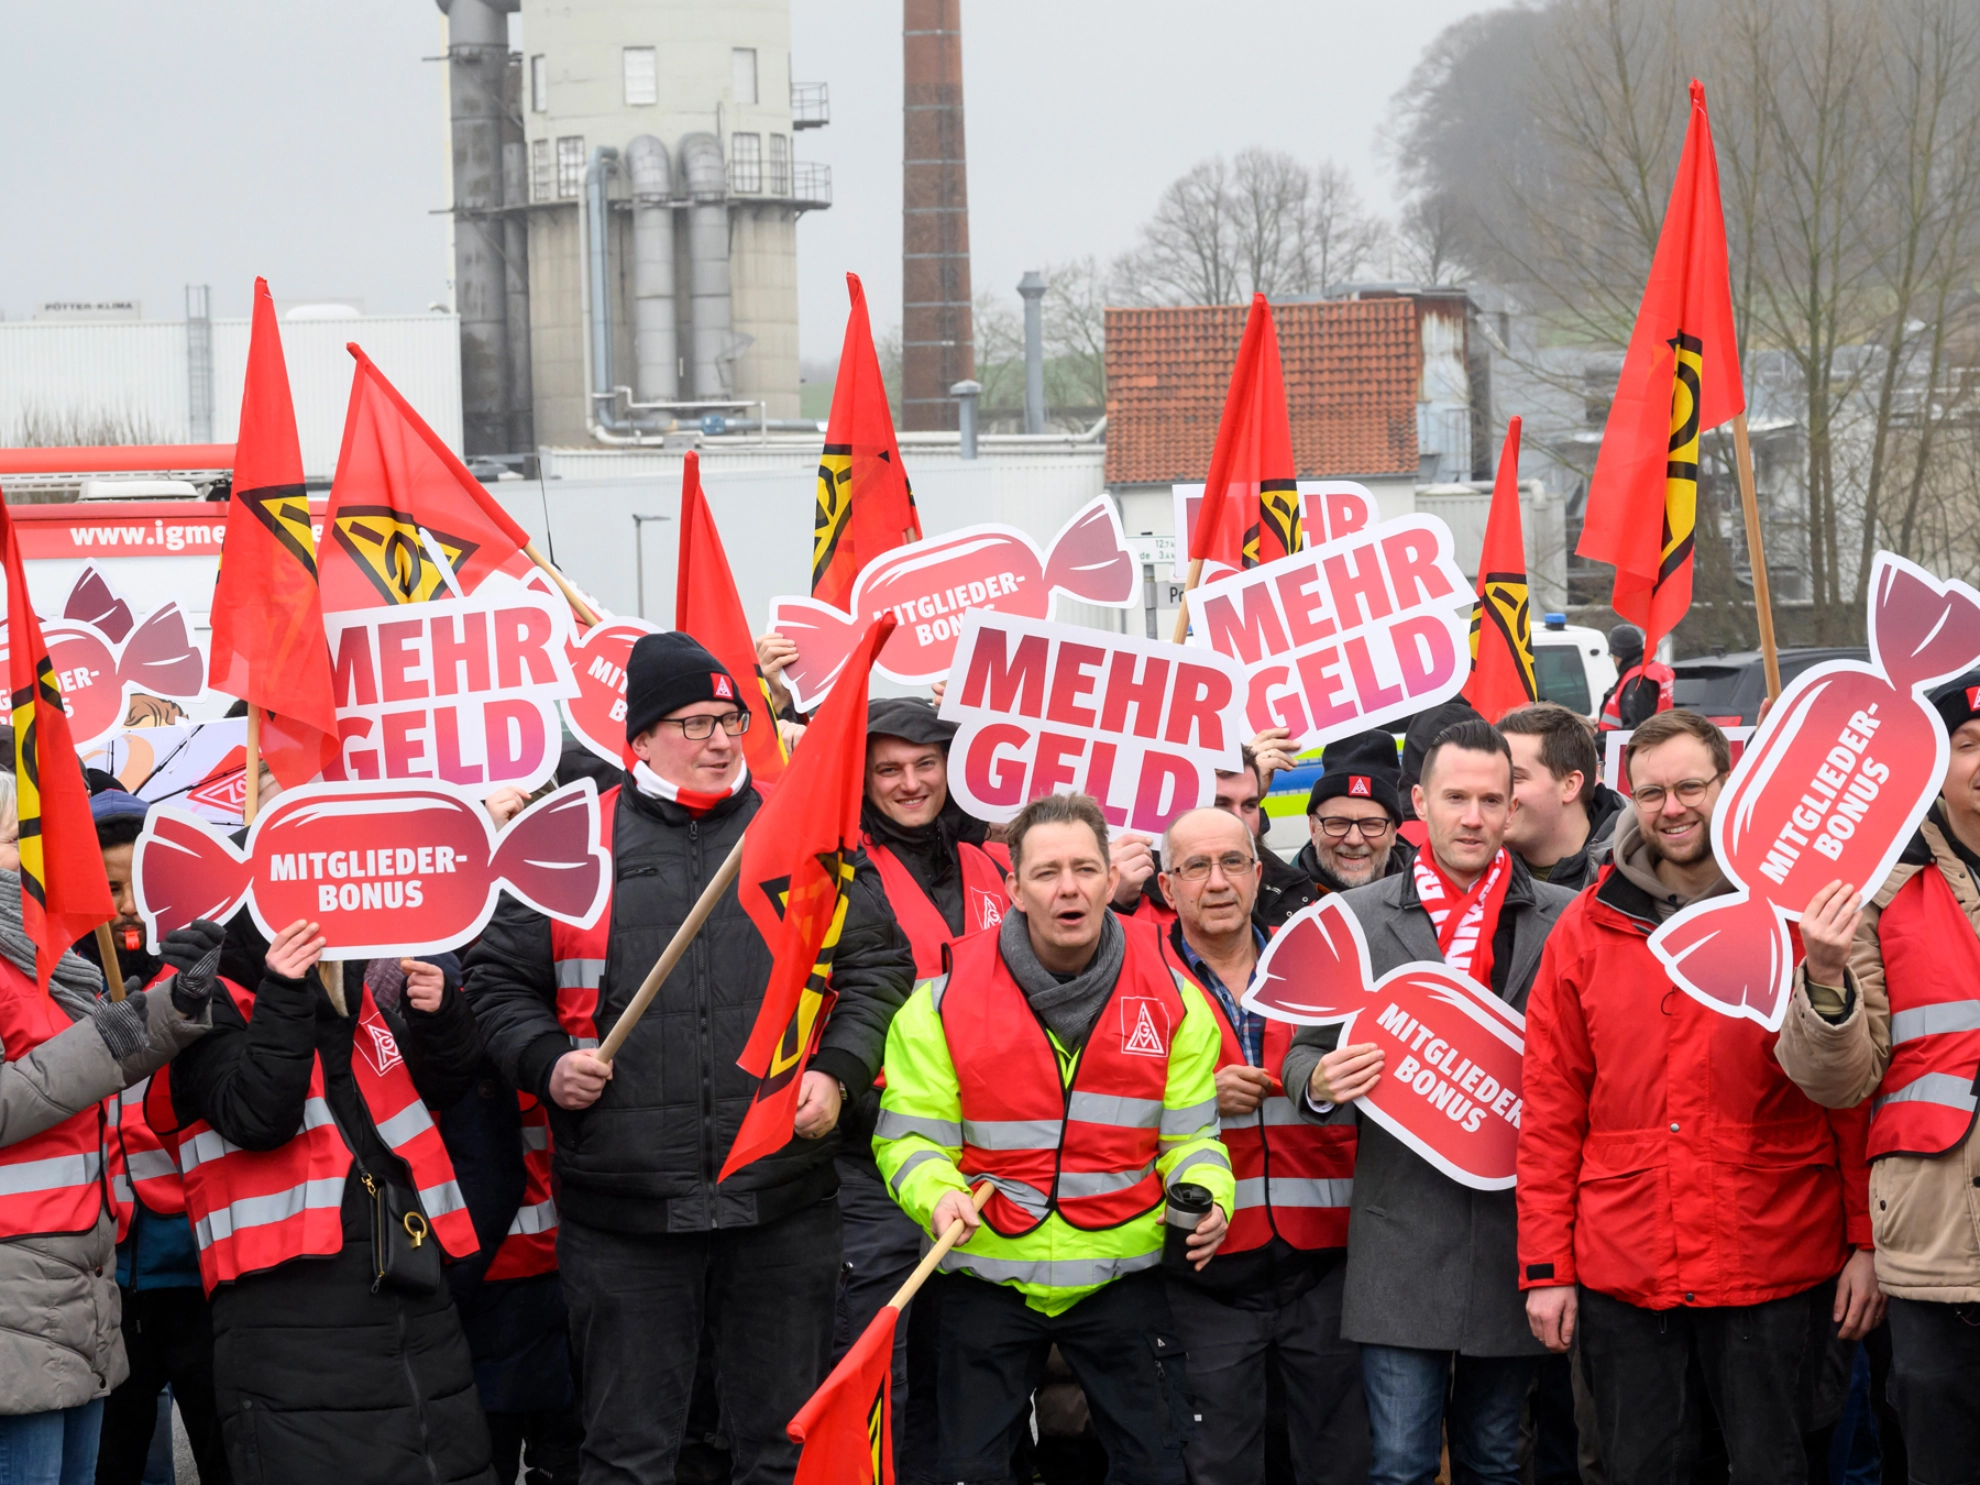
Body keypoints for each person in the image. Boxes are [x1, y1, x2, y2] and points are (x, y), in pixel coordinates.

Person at [466, 631, 913, 1484]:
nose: (719, 739)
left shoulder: (801, 827)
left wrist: (837, 1070)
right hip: (625, 1214)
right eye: (694, 722)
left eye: (731, 719)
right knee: (629, 1456)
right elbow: (495, 981)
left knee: (783, 1451)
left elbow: (878, 967)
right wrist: (546, 1062)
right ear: (640, 737)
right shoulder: (569, 839)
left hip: (781, 1202)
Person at [1520, 708, 1879, 1484]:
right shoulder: (1584, 929)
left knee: (1777, 1467)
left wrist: (1865, 1241)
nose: (1672, 807)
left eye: (1690, 786)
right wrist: (1546, 1268)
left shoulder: (1798, 918)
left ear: (1729, 783)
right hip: (1629, 1269)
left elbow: (1846, 1097)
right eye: (1651, 792)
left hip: (1775, 1260)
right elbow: (1550, 1110)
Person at [875, 791, 1234, 1485]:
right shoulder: (940, 1002)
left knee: (1156, 1469)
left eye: (1084, 869)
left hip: (1121, 1276)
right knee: (967, 1473)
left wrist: (1211, 1193)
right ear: (1013, 887)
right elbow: (909, 1138)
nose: (1068, 888)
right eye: (1046, 872)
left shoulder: (1175, 998)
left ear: (1111, 877)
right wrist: (938, 1194)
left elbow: (1192, 1139)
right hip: (983, 1275)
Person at [1282, 719, 1573, 1485]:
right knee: (1401, 1464)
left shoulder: (1565, 917)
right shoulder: (1354, 917)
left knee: (1495, 1461)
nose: (1473, 817)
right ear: (1418, 802)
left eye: (1490, 799)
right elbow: (1300, 1054)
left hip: (1515, 1239)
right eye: (1455, 798)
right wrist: (1320, 1081)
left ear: (1512, 807)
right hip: (1399, 1243)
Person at [160, 918, 492, 1485]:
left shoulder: (349, 996)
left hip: (411, 1306)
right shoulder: (201, 995)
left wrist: (442, 1019)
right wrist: (286, 989)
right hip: (291, 1329)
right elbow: (258, 1114)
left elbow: (438, 1084)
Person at [1776, 674, 1980, 1485]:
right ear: (1933, 762)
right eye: (1967, 744)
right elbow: (1842, 1081)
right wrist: (1825, 977)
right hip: (1937, 1241)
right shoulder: (1875, 890)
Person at [1159, 806, 1366, 1485]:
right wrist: (1196, 1098)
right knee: (1218, 1467)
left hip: (1325, 1266)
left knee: (1337, 1465)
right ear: (1167, 887)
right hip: (1203, 1273)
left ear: (1257, 873)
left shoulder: (1317, 967)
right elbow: (1100, 1104)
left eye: (1232, 862)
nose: (1217, 881)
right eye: (1196, 866)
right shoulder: (1140, 980)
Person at [845, 695, 1010, 1479]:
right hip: (874, 1156)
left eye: (925, 764)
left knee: (973, 1362)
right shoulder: (840, 868)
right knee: (885, 1361)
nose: (910, 782)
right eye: (888, 769)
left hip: (989, 1154)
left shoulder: (994, 863)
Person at [0, 880, 213, 1484]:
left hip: (79, 1272)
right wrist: (100, 1040)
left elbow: (101, 1057)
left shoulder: (45, 956)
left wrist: (179, 1001)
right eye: (17, 837)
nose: (44, 848)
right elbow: (91, 1057)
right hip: (15, 1280)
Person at [87, 792, 232, 1485]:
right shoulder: (68, 984)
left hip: (204, 1272)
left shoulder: (210, 978)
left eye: (137, 885)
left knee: (227, 1456)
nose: (124, 906)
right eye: (107, 889)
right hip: (112, 1282)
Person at [1262, 730, 1412, 931]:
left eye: (1371, 824)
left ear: (1393, 831)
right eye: (1338, 823)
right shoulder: (1272, 902)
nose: (1354, 839)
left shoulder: (1427, 899)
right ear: (1313, 828)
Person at [1499, 702, 1627, 892]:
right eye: (1493, 777)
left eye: (1515, 777)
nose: (1494, 792)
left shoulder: (1639, 869)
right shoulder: (1474, 869)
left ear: (1570, 785)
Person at [1595, 624, 1674, 733]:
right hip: (1658, 737)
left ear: (1620, 654)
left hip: (1624, 743)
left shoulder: (1637, 679)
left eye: (1613, 655)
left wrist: (1599, 739)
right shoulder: (1656, 670)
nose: (1613, 660)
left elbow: (1634, 730)